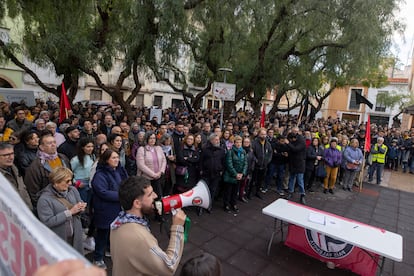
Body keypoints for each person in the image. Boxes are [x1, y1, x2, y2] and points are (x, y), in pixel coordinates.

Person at [110, 176, 187, 276]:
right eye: (150, 194)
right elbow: (169, 266)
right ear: (137, 203)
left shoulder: (118, 222)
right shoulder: (140, 237)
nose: (155, 196)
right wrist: (177, 228)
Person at [91, 149, 128, 269]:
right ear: (106, 160)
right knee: (102, 234)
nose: (117, 160)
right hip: (104, 209)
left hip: (116, 208)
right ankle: (97, 258)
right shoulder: (100, 174)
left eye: (117, 157)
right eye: (113, 158)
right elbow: (103, 192)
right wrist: (121, 195)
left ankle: (108, 250)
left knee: (112, 232)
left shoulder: (117, 171)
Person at [37, 167, 86, 254]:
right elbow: (47, 222)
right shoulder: (44, 199)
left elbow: (80, 202)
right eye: (67, 181)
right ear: (56, 182)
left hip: (76, 237)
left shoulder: (73, 190)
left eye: (70, 180)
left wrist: (81, 207)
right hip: (59, 240)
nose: (70, 183)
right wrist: (69, 213)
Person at [25, 133, 71, 210]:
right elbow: (32, 191)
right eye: (49, 143)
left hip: (66, 200)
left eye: (54, 142)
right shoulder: (36, 166)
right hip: (50, 204)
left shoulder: (63, 158)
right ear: (41, 147)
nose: (53, 145)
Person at [0, 142, 33, 210]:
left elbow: (23, 190)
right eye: (6, 155)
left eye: (12, 153)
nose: (11, 157)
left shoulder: (15, 169)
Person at [136, 131, 167, 198]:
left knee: (158, 197)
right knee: (147, 198)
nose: (152, 140)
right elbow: (141, 165)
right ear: (146, 139)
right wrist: (153, 174)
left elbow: (164, 160)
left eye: (154, 138)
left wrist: (161, 172)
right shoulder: (141, 149)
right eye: (150, 138)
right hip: (146, 179)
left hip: (158, 178)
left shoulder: (159, 148)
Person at [200, 133, 225, 212]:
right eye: (216, 140)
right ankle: (201, 206)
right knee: (204, 190)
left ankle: (209, 205)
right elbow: (201, 161)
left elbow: (223, 161)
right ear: (211, 140)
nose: (218, 141)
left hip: (216, 173)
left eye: (218, 140)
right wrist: (201, 170)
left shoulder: (221, 150)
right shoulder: (205, 149)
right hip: (206, 173)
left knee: (213, 190)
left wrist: (222, 170)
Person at [222, 135, 247, 213]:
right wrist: (235, 174)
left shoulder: (243, 152)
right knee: (228, 191)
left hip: (239, 176)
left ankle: (234, 204)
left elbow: (245, 163)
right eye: (237, 142)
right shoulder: (230, 151)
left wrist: (242, 173)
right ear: (234, 143)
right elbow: (229, 164)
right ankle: (226, 205)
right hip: (230, 175)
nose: (239, 144)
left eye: (240, 142)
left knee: (235, 191)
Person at [70, 138, 96, 203]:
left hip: (90, 182)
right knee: (81, 204)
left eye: (92, 146)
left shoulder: (92, 156)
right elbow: (69, 172)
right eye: (88, 147)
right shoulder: (76, 159)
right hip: (80, 183)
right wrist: (76, 182)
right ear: (82, 147)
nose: (91, 149)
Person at [250, 128, 273, 199]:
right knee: (253, 180)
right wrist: (256, 160)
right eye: (262, 134)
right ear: (259, 134)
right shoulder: (254, 142)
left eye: (265, 134)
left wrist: (268, 160)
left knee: (260, 180)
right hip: (256, 165)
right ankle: (249, 193)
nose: (263, 136)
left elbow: (270, 152)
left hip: (264, 166)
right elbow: (251, 153)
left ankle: (257, 192)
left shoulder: (267, 143)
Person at [285, 132, 307, 204]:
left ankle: (302, 194)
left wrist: (288, 143)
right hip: (293, 163)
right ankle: (290, 192)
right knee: (292, 178)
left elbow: (295, 149)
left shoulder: (301, 142)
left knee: (300, 180)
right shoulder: (294, 141)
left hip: (300, 164)